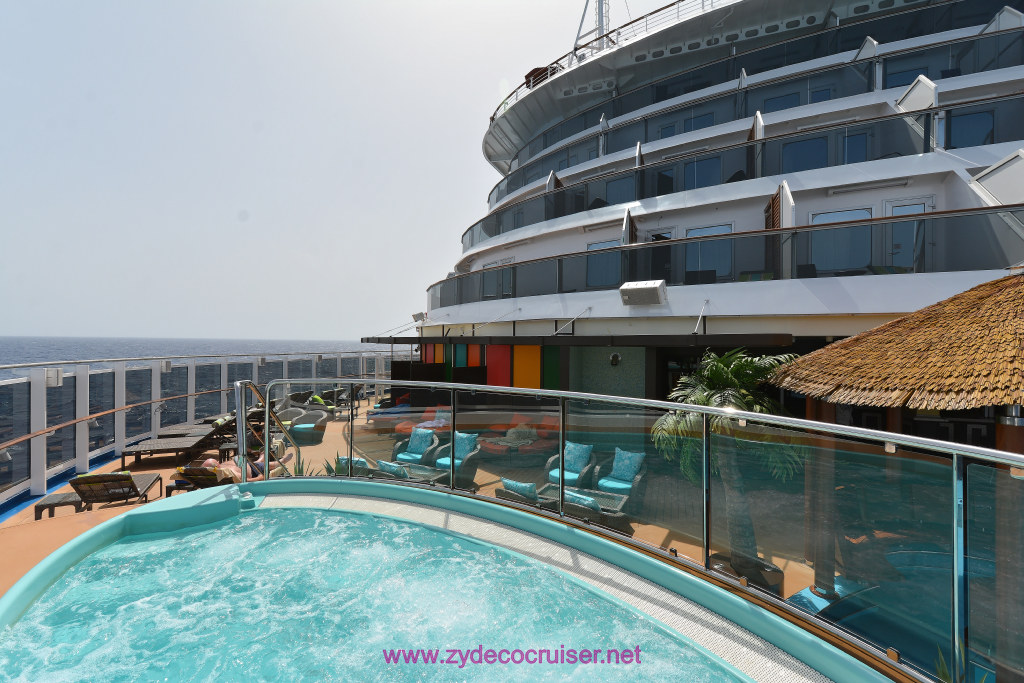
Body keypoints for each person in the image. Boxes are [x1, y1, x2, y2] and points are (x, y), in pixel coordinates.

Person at [200, 449, 293, 482]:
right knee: (269, 464)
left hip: (245, 465)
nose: (218, 461)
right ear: (217, 465)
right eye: (217, 462)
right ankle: (282, 461)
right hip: (254, 470)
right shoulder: (227, 472)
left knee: (240, 458)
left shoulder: (204, 474)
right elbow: (245, 480)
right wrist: (259, 478)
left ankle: (260, 459)